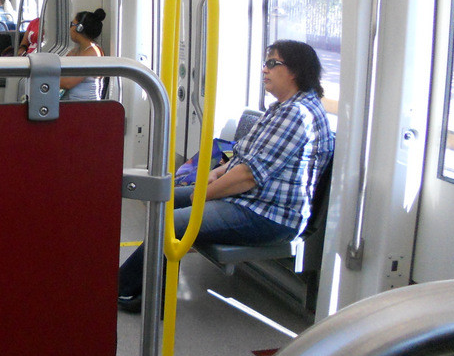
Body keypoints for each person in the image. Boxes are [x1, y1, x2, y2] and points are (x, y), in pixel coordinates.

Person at [117, 39, 335, 312]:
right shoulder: (282, 108)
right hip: (249, 200)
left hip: (267, 214)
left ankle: (123, 287)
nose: (264, 70)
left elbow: (248, 176)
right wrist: (216, 173)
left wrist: (203, 195)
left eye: (272, 63)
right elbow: (244, 155)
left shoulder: (297, 114)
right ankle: (152, 289)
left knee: (172, 221)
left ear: (294, 71)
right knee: (164, 196)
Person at [62, 9, 107, 100]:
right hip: (71, 104)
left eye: (72, 25)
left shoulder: (93, 53)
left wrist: (44, 79)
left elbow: (68, 83)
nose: (70, 29)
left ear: (79, 28)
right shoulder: (75, 51)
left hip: (86, 107)